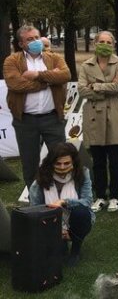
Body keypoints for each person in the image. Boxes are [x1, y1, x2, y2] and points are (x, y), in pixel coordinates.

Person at [3, 25, 71, 187]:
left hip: (53, 118)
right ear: (21, 44)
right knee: (30, 163)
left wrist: (37, 75)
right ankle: (36, 203)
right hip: (25, 121)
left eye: (36, 37)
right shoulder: (12, 60)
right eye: (29, 39)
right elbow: (15, 84)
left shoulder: (54, 58)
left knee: (60, 159)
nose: (35, 41)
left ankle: (62, 198)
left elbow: (65, 75)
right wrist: (47, 81)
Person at [77, 31, 118, 213]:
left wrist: (96, 86)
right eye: (102, 41)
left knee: (115, 159)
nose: (105, 44)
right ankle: (100, 196)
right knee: (98, 160)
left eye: (109, 41)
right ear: (95, 43)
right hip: (93, 116)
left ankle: (115, 195)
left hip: (115, 114)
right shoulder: (85, 65)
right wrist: (108, 87)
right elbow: (82, 90)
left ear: (113, 44)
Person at [28, 142, 95, 267]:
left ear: (73, 162)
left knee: (82, 212)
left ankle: (76, 250)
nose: (62, 167)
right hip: (48, 220)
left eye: (67, 163)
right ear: (51, 163)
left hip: (75, 217)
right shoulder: (40, 181)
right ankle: (60, 243)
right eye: (58, 163)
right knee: (56, 254)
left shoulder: (82, 173)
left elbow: (87, 201)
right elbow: (34, 210)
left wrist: (65, 202)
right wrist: (56, 228)